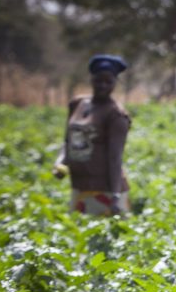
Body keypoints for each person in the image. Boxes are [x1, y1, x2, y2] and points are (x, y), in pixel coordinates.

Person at [52, 54, 132, 216]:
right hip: (79, 186)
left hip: (105, 190)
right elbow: (68, 141)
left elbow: (115, 158)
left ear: (115, 83)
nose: (102, 85)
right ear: (91, 79)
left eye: (108, 82)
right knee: (79, 229)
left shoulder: (116, 115)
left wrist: (115, 197)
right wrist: (60, 162)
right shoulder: (77, 104)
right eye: (98, 80)